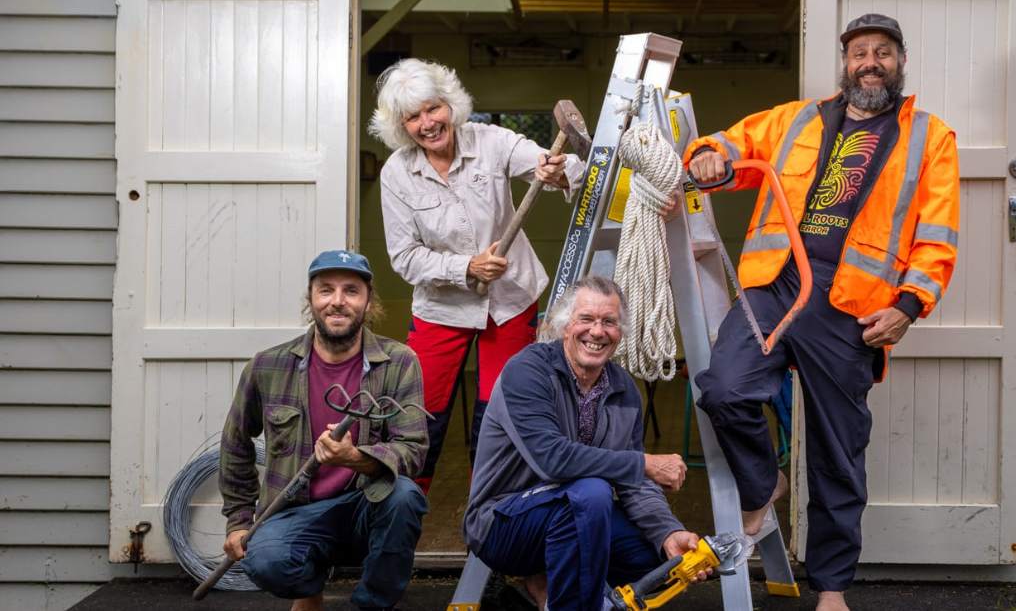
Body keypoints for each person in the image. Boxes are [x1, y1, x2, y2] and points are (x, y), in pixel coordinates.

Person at [684, 14, 960, 611]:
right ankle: (766, 485)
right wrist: (706, 154)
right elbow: (732, 145)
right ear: (845, 62)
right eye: (860, 51)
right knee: (725, 389)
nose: (870, 61)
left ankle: (832, 588)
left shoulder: (929, 137)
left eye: (882, 52)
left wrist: (909, 307)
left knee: (837, 453)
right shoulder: (797, 118)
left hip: (851, 305)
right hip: (776, 282)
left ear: (900, 63)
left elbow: (937, 235)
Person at [370, 58, 586, 492]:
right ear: (401, 126)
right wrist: (465, 267)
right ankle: (403, 513)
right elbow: (405, 257)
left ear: (450, 104)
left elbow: (566, 167)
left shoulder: (491, 141)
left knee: (500, 414)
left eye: (433, 108)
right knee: (418, 415)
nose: (428, 124)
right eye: (413, 117)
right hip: (441, 307)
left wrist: (555, 170)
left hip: (509, 300)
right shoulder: (397, 173)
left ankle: (489, 515)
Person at [464, 276, 708, 611]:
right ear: (565, 326)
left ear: (619, 333)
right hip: (504, 521)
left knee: (660, 563)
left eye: (609, 322)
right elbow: (552, 459)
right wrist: (644, 463)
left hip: (576, 513)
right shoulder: (528, 371)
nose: (597, 332)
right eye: (586, 319)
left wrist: (668, 533)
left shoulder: (624, 390)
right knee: (592, 492)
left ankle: (561, 587)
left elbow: (635, 485)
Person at [219, 250, 429, 611]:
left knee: (405, 496)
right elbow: (236, 443)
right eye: (326, 290)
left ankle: (370, 604)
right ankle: (309, 588)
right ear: (311, 299)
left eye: (351, 291)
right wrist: (238, 521)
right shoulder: (268, 366)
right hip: (294, 513)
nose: (337, 301)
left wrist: (357, 458)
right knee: (265, 560)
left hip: (364, 509)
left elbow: (413, 451)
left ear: (367, 301)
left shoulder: (398, 363)